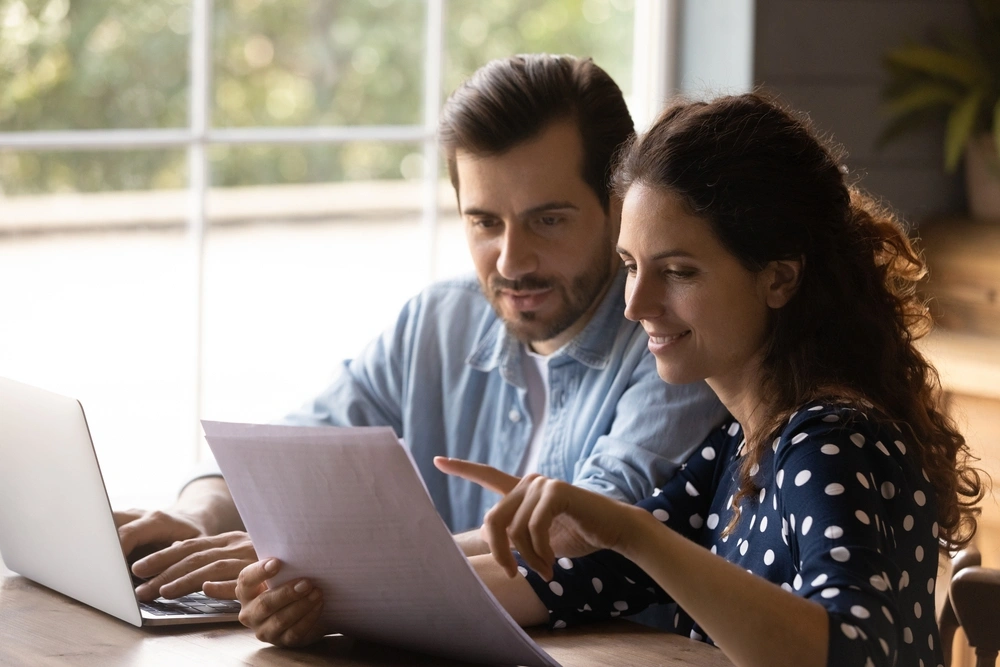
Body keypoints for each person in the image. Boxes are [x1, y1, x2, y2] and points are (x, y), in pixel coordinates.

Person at [236, 93, 984, 666]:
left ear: (779, 277)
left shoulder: (835, 440)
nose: (636, 304)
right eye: (631, 266)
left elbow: (852, 651)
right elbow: (570, 578)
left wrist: (630, 533)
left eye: (678, 272)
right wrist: (316, 587)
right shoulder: (743, 442)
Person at [113, 54, 726, 604]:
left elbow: (587, 530)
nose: (511, 261)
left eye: (548, 220)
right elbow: (290, 455)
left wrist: (328, 568)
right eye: (485, 223)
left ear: (619, 206)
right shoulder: (438, 322)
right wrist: (195, 519)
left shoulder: (670, 344)